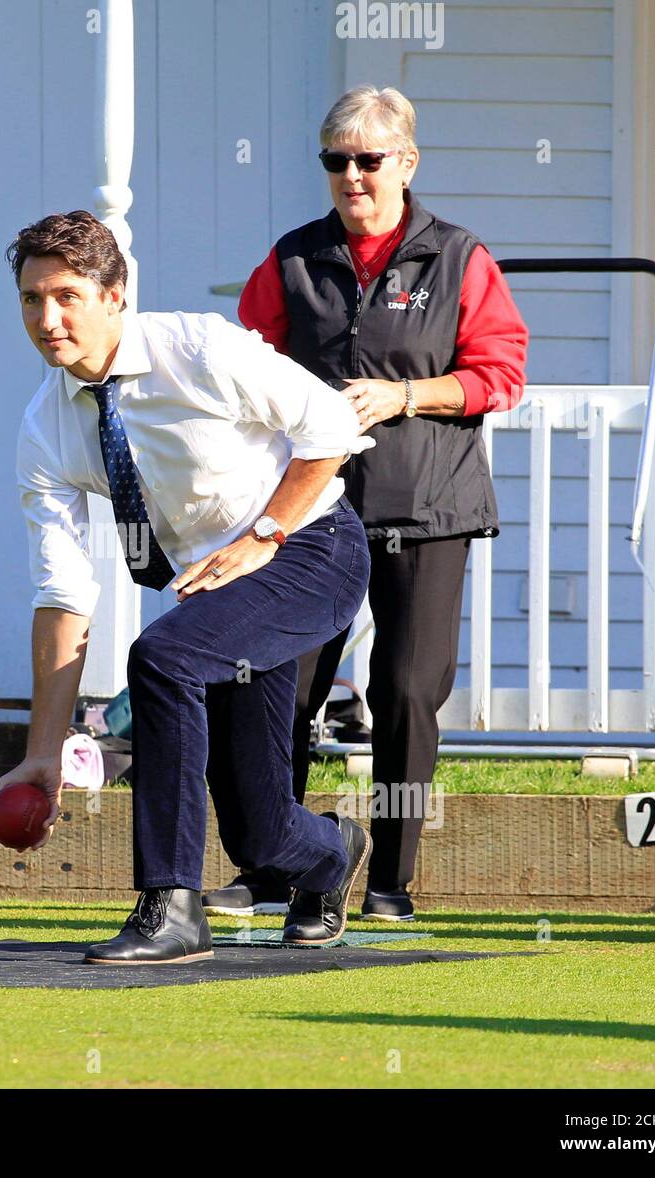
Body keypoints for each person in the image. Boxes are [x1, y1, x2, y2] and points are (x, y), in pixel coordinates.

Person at [0, 210, 373, 963]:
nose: (47, 317)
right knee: (259, 831)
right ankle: (330, 854)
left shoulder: (195, 348)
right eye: (32, 299)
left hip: (311, 549)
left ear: (115, 295)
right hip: (215, 597)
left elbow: (330, 426)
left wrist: (264, 536)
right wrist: (44, 752)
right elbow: (64, 594)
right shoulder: (46, 428)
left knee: (160, 657)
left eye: (66, 295)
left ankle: (171, 907)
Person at [204, 85, 529, 922]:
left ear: (406, 163)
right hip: (313, 508)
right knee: (278, 683)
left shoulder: (460, 257)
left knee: (405, 692)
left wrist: (406, 395)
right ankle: (275, 865)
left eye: (368, 159)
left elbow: (501, 376)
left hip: (428, 508)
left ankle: (391, 878)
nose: (352, 175)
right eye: (335, 161)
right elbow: (243, 369)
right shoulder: (292, 259)